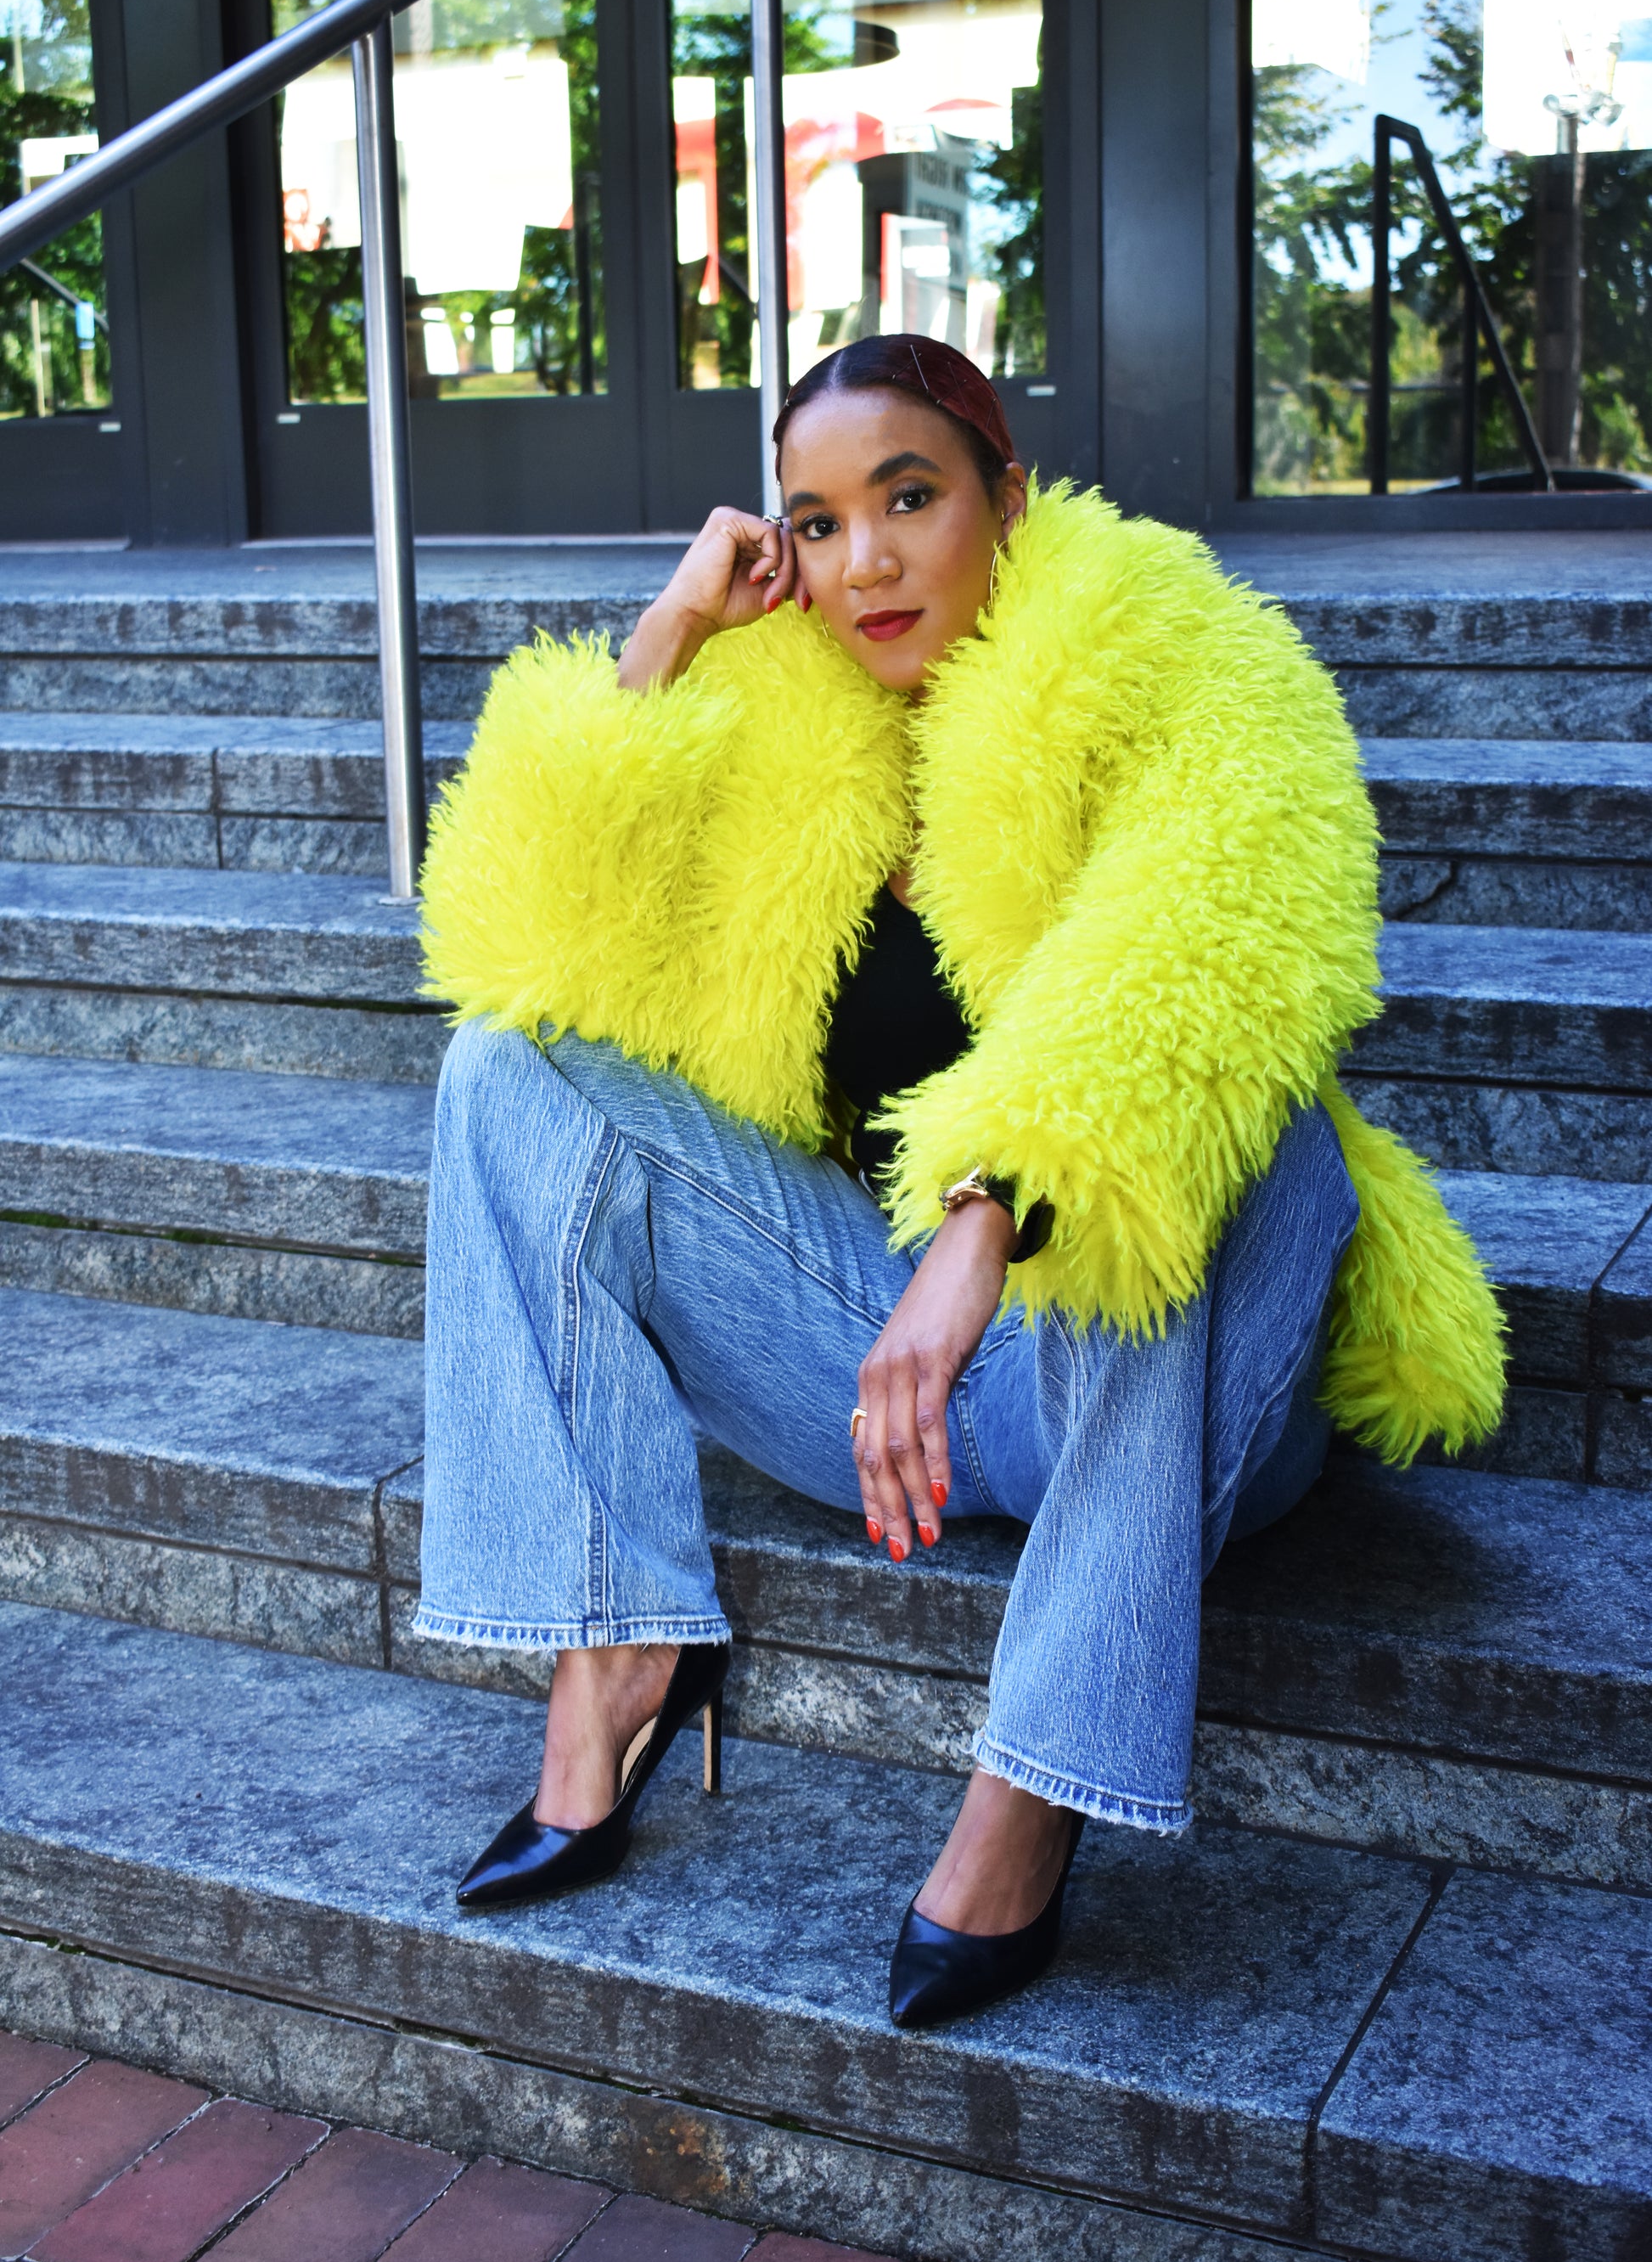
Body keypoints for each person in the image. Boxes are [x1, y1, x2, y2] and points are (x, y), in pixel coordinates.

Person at [416, 334, 1504, 2029]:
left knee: (1249, 1134)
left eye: (908, 498)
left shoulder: (1171, 650)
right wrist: (672, 631)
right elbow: (541, 941)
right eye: (819, 518)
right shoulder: (790, 710)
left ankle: (1033, 1790)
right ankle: (615, 1639)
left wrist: (988, 1211)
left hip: (1163, 1365)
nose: (866, 559)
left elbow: (1198, 948)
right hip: (885, 1370)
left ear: (1008, 490)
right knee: (505, 1064)